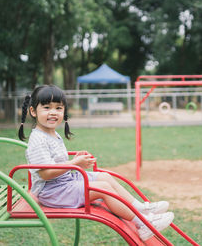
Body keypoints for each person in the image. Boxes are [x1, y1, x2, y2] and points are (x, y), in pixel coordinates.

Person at [18, 85, 174, 241]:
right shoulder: (38, 139)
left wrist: (73, 160)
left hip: (64, 182)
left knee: (104, 177)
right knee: (104, 188)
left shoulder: (51, 134)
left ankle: (141, 208)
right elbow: (45, 173)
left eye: (58, 108)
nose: (53, 112)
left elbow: (56, 162)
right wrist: (74, 163)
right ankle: (144, 224)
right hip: (52, 192)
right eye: (46, 107)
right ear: (33, 111)